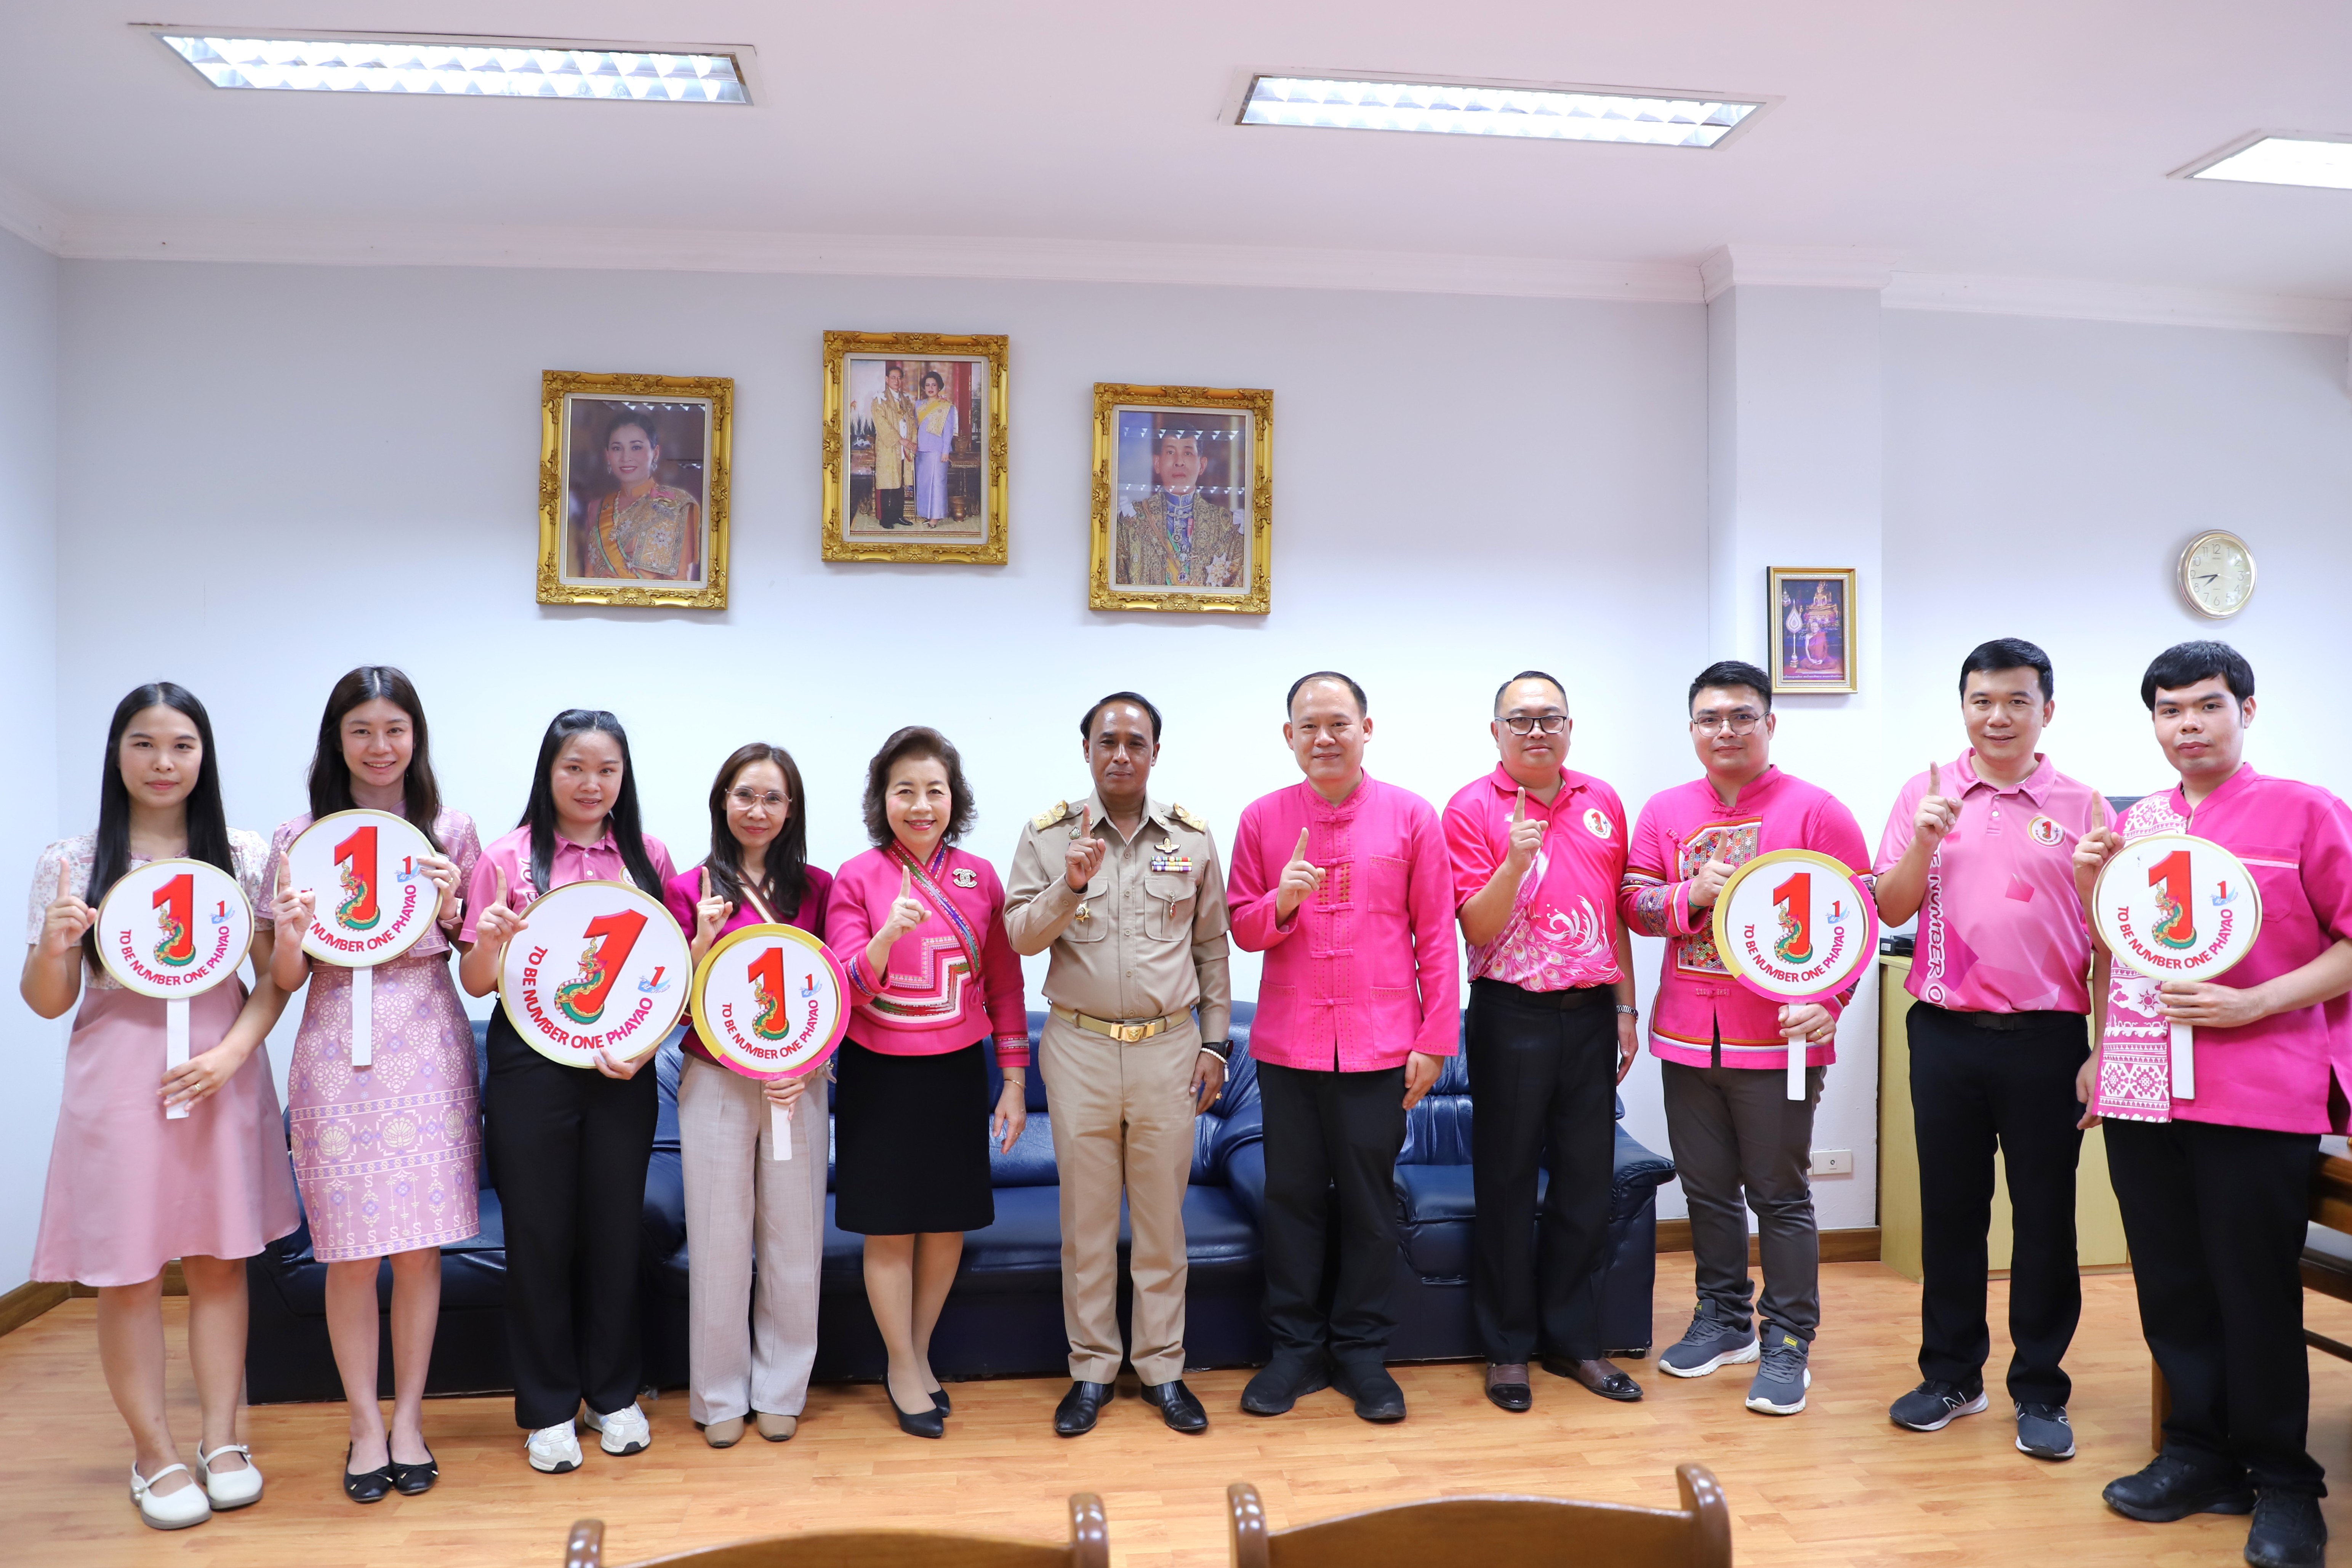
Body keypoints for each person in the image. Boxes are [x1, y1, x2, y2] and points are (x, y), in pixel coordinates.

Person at [2073, 641, 2350, 1568]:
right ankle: (2196, 1455)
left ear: (2245, 711)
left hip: (2257, 1086)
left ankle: (2282, 1482)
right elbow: (2116, 949)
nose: (2185, 725)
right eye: (2167, 710)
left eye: (2204, 706)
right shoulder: (2137, 823)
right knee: (2170, 1283)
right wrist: (2100, 1046)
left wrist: (2253, 1002)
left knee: (2251, 1288)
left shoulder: (2306, 811)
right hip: (2142, 1084)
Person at [20, 683, 295, 1531]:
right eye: (144, 744)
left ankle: (223, 1440)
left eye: (182, 745)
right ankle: (153, 1453)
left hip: (220, 1071)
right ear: (117, 754)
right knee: (129, 1271)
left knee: (219, 1262)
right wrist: (57, 945)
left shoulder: (243, 855)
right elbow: (46, 1000)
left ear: (204, 756)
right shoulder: (72, 860)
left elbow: (274, 981)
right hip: (118, 1082)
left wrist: (230, 1055)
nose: (163, 762)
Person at [1617, 659, 1870, 1418]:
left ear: (1768, 723)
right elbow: (1632, 904)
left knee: (1779, 1194)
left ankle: (1787, 1338)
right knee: (1705, 1190)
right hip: (1686, 1034)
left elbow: (1855, 918)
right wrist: (1684, 894)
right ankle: (1723, 1318)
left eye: (1739, 716)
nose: (1724, 730)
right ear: (1691, 728)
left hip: (1778, 1039)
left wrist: (1828, 1001)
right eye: (1708, 718)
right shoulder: (1664, 810)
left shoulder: (1816, 811)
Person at [1871, 639, 2103, 1462]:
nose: (1996, 716)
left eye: (2015, 700)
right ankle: (1950, 1376)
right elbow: (1887, 907)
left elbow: (2112, 939)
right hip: (1944, 1033)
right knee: (1950, 1212)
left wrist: (2102, 1048)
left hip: (2047, 1038)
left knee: (2044, 1219)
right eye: (1981, 701)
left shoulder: (2084, 805)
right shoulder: (1926, 790)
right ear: (1962, 707)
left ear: (2046, 709)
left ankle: (2039, 1388)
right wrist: (1922, 842)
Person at [264, 668, 481, 1502]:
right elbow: (284, 976)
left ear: (415, 737)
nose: (380, 746)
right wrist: (292, 933)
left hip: (427, 1041)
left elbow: (476, 958)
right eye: (362, 730)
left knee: (420, 1249)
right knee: (349, 1254)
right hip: (331, 1049)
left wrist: (456, 909)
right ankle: (363, 1423)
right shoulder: (297, 837)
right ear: (337, 740)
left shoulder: (449, 830)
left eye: (395, 729)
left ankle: (409, 1419)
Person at [1227, 671, 1458, 1423]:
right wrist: (1282, 900)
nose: (1323, 738)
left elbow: (1436, 935)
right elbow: (1242, 927)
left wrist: (1435, 1040)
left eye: (1337, 723)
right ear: (1287, 737)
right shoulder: (1261, 819)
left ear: (1366, 729)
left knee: (1368, 1205)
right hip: (1287, 1048)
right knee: (1290, 1201)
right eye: (1308, 726)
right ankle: (1293, 1351)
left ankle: (1361, 1351)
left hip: (1380, 1046)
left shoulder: (1410, 816)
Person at [1004, 692, 1232, 1438]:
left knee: (1162, 1224)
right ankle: (1091, 1371)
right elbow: (1018, 937)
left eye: (1136, 742)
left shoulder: (1189, 837)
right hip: (1080, 1048)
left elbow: (1211, 947)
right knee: (1088, 1224)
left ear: (1155, 753)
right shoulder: (1047, 836)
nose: (1121, 755)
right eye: (1108, 741)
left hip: (1169, 1049)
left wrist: (1215, 1043)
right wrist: (1068, 885)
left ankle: (1162, 1368)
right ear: (1086, 750)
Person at [457, 709, 677, 1475]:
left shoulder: (647, 856)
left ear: (623, 777)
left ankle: (613, 1394)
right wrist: (491, 937)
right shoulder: (505, 858)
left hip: (622, 1069)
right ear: (548, 773)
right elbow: (476, 982)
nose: (591, 784)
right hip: (529, 1065)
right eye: (574, 768)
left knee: (615, 1234)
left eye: (606, 770)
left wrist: (645, 1047)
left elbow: (667, 973)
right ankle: (548, 1408)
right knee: (539, 1238)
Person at [1442, 671, 1642, 1414]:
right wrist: (1514, 863)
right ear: (1494, 731)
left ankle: (1573, 1340)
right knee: (1504, 1182)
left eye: (1548, 718)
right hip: (1510, 1015)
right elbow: (1473, 925)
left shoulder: (1601, 801)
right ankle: (1506, 1349)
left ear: (1568, 728)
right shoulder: (1470, 807)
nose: (1535, 731)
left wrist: (1625, 1007)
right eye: (1519, 720)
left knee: (1586, 1183)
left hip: (1589, 1014)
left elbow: (1612, 912)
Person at [825, 726, 1030, 1438]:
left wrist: (1013, 1080)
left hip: (956, 1070)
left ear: (954, 799)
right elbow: (844, 985)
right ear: (882, 800)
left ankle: (913, 1353)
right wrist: (887, 934)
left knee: (946, 1225)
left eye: (934, 791)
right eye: (904, 790)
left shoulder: (979, 877)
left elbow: (1004, 983)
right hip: (877, 1070)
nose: (920, 805)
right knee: (889, 1228)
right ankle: (902, 1366)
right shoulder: (856, 877)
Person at [660, 744, 834, 1450]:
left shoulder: (818, 888)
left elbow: (834, 990)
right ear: (722, 802)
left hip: (798, 1082)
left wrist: (814, 1064)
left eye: (772, 798)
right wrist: (700, 941)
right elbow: (668, 1002)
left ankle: (782, 1389)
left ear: (791, 810)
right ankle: (719, 1394)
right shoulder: (687, 888)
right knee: (718, 1237)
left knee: (795, 1238)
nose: (757, 811)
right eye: (744, 795)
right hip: (716, 1079)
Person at [1114, 425, 1247, 589]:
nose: (1179, 462)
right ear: (1157, 463)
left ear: (1202, 465)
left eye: (1188, 453)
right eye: (1170, 452)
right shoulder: (1131, 522)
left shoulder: (1229, 526)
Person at [576, 410, 700, 581]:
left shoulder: (676, 505)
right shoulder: (596, 508)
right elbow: (589, 577)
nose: (626, 457)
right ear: (607, 455)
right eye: (617, 448)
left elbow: (680, 584)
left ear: (655, 453)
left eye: (636, 447)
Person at [869, 364, 917, 530]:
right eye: (893, 378)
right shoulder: (879, 400)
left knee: (900, 483)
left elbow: (912, 423)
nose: (897, 381)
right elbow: (882, 425)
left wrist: (913, 442)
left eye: (899, 378)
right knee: (887, 483)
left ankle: (898, 515)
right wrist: (900, 440)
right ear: (887, 379)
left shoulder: (906, 401)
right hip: (889, 448)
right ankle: (886, 519)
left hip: (905, 449)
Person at [914, 370, 957, 524]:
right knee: (924, 484)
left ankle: (936, 517)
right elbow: (915, 427)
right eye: (928, 385)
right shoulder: (919, 405)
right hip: (921, 450)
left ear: (939, 387)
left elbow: (949, 431)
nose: (931, 388)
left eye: (934, 385)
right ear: (924, 388)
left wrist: (946, 451)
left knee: (938, 484)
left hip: (938, 451)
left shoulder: (946, 407)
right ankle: (927, 513)